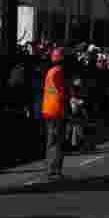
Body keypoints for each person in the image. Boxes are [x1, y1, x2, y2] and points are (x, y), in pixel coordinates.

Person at [42, 47, 68, 181]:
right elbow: (61, 92)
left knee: (51, 141)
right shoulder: (59, 72)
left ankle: (50, 168)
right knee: (57, 142)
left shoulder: (50, 71)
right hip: (56, 109)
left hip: (48, 109)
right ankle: (54, 170)